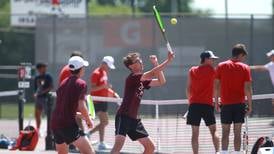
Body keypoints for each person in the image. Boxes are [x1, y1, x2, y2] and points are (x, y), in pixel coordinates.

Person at [111, 50, 175, 154]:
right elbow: (153, 73)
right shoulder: (133, 77)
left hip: (134, 120)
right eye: (137, 61)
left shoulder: (142, 80)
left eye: (139, 59)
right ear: (131, 66)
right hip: (123, 116)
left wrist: (156, 63)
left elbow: (161, 81)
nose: (140, 61)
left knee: (150, 148)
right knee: (117, 147)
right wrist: (168, 60)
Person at [51, 56, 95, 154]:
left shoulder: (63, 82)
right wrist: (88, 120)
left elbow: (64, 107)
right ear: (81, 69)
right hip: (67, 125)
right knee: (90, 152)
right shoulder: (81, 84)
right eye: (84, 67)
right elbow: (81, 105)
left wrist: (80, 115)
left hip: (55, 123)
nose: (84, 69)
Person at [215, 44, 253, 154]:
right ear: (240, 55)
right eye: (243, 56)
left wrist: (217, 103)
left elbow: (216, 86)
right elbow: (248, 89)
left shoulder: (221, 66)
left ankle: (224, 153)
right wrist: (250, 106)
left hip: (226, 105)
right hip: (239, 105)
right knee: (237, 132)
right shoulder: (245, 67)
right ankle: (236, 153)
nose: (244, 59)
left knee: (225, 132)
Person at [186, 50, 220, 154]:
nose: (214, 61)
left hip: (194, 105)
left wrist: (190, 102)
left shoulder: (192, 70)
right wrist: (217, 102)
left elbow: (188, 89)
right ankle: (218, 152)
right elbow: (216, 88)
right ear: (205, 59)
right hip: (207, 105)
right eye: (212, 59)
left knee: (195, 133)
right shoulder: (213, 71)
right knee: (214, 131)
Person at [88, 56, 119, 150]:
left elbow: (105, 87)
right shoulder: (95, 73)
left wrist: (113, 93)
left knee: (104, 122)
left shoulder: (104, 72)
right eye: (108, 66)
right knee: (105, 122)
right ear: (104, 63)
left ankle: (90, 135)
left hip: (104, 100)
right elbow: (93, 89)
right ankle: (97, 140)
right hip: (96, 101)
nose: (109, 68)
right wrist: (104, 86)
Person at [58, 51, 86, 152]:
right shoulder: (69, 73)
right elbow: (71, 90)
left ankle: (78, 141)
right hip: (66, 118)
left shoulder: (67, 70)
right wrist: (88, 118)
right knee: (89, 151)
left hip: (59, 117)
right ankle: (80, 140)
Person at [250, 50, 274, 121]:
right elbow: (260, 68)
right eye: (270, 56)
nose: (270, 58)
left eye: (271, 56)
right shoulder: (271, 65)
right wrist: (247, 67)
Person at [34, 63, 53, 132]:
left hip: (46, 98)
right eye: (43, 67)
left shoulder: (48, 76)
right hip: (38, 98)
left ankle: (50, 130)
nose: (45, 68)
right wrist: (35, 94)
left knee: (49, 115)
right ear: (39, 69)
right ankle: (38, 130)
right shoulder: (37, 77)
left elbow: (51, 87)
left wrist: (43, 92)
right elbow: (36, 88)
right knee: (37, 115)